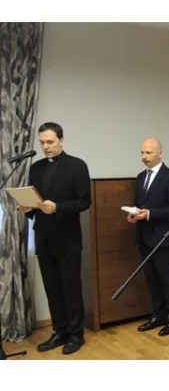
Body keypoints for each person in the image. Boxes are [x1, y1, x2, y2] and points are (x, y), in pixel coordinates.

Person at [20, 122, 91, 355]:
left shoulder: (77, 166)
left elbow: (84, 201)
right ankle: (59, 331)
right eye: (42, 142)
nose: (45, 146)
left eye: (50, 142)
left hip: (67, 238)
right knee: (52, 289)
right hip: (43, 237)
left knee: (70, 289)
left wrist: (58, 207)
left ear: (61, 140)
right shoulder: (36, 167)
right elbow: (36, 201)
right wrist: (28, 209)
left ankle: (76, 334)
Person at [128, 137, 169, 337]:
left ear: (160, 153)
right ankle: (158, 314)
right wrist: (134, 215)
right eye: (142, 152)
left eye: (149, 153)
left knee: (166, 277)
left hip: (162, 236)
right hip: (144, 235)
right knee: (151, 278)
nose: (144, 157)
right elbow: (139, 204)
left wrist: (150, 214)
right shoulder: (141, 177)